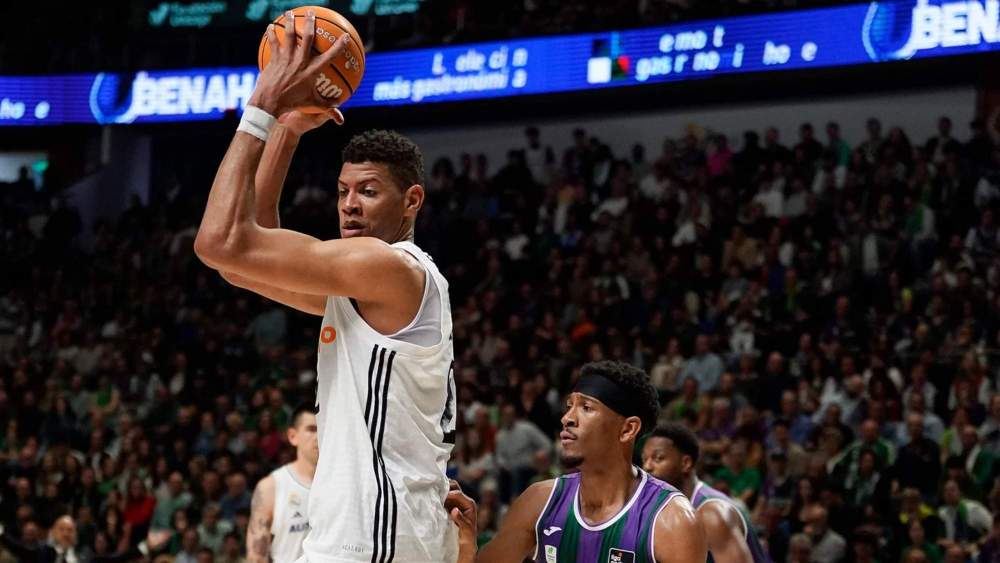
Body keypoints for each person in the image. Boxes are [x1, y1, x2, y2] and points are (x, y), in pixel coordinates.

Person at [194, 12, 458, 562]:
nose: (349, 206)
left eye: (368, 191)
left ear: (411, 201)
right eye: (342, 191)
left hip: (378, 537)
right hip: (370, 533)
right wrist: (288, 130)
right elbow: (241, 262)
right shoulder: (370, 291)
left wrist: (263, 106)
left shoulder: (387, 267)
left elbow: (219, 240)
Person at [445, 361, 707, 562]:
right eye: (569, 405)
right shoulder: (539, 501)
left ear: (627, 430)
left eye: (586, 407)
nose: (567, 418)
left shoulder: (671, 520)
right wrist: (467, 541)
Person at [641, 422, 771, 562]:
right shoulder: (666, 507)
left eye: (658, 458)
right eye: (644, 459)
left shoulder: (712, 513)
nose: (647, 467)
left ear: (686, 463)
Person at [247, 404, 319, 563]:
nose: (318, 436)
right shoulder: (270, 487)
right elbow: (256, 557)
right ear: (293, 436)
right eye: (311, 429)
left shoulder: (343, 485)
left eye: (323, 428)